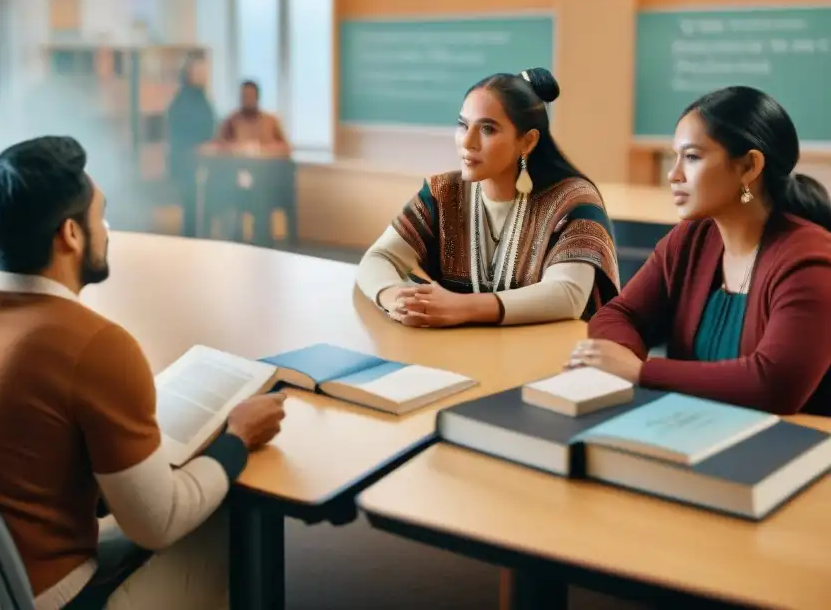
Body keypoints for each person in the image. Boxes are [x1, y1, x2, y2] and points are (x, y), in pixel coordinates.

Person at [0, 135, 287, 609]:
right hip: (33, 599)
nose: (108, 231)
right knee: (228, 516)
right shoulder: (96, 345)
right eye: (100, 217)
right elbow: (158, 523)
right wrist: (238, 437)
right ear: (70, 234)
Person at [570, 86, 831, 416]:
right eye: (675, 156)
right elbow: (622, 314)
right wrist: (618, 358)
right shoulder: (691, 239)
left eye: (692, 157)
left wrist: (639, 372)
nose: (673, 173)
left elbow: (775, 386)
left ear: (750, 166)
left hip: (793, 448)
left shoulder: (810, 260)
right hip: (693, 428)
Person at [356, 67, 620, 328]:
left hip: (552, 358)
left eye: (487, 129)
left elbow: (567, 294)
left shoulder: (572, 200)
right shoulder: (444, 193)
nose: (468, 142)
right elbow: (379, 257)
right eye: (463, 125)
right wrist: (395, 299)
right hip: (467, 353)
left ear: (527, 142)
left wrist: (462, 308)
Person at [165, 52, 216, 237]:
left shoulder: (204, 99)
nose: (204, 74)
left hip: (205, 161)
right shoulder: (182, 102)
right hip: (187, 162)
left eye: (205, 70)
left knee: (205, 208)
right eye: (199, 70)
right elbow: (178, 134)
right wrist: (197, 148)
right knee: (192, 210)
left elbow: (211, 128)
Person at [216, 80, 289, 154]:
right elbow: (217, 147)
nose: (247, 100)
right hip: (239, 163)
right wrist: (236, 148)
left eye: (250, 96)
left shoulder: (271, 121)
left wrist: (262, 149)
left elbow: (286, 149)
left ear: (257, 97)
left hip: (266, 163)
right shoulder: (231, 121)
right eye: (245, 96)